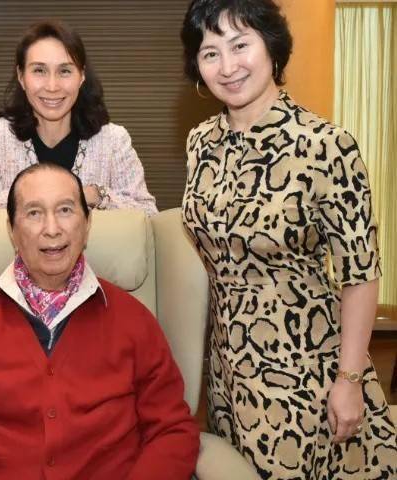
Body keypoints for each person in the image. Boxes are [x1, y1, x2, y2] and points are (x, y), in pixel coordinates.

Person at [180, 1, 397, 478]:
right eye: (210, 52)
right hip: (226, 366)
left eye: (240, 45)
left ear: (272, 47)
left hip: (303, 365)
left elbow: (361, 273)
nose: (228, 66)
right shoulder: (201, 143)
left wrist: (349, 379)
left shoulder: (327, 146)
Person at [0, 163, 198, 479]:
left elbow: (172, 430)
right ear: (12, 229)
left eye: (65, 210)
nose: (52, 228)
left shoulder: (133, 319)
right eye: (34, 213)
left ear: (87, 223)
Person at [0, 20, 158, 216]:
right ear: (21, 76)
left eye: (64, 71)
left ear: (81, 76)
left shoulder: (113, 140)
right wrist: (33, 194)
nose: (52, 86)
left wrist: (95, 195)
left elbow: (148, 215)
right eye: (39, 70)